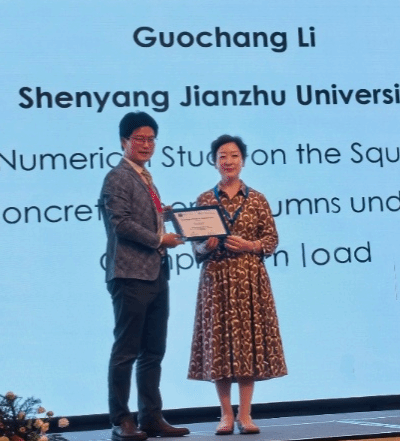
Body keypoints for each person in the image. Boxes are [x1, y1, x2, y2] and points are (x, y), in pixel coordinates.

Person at [187, 135, 287, 435]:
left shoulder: (257, 199)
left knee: (247, 346)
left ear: (242, 160)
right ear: (214, 162)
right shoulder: (204, 200)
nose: (227, 161)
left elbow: (271, 240)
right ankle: (225, 415)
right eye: (222, 156)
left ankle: (245, 415)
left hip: (249, 281)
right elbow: (195, 246)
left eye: (233, 155)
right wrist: (205, 246)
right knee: (219, 346)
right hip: (216, 280)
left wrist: (249, 245)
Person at [100, 111, 189, 441]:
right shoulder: (118, 177)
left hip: (155, 273)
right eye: (139, 138)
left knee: (153, 351)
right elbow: (121, 224)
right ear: (124, 141)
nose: (146, 145)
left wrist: (170, 216)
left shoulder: (146, 177)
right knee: (126, 351)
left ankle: (151, 417)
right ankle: (121, 420)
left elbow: (143, 218)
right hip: (129, 274)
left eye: (151, 139)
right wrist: (159, 239)